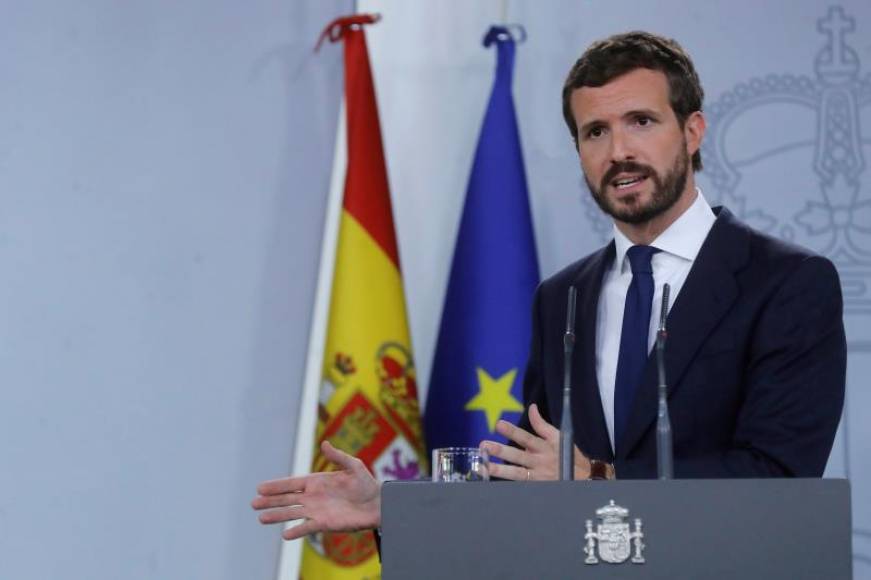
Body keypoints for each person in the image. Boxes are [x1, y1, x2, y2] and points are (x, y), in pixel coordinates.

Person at [252, 31, 846, 540]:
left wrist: (597, 480)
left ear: (692, 131)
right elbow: (529, 477)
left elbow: (779, 479)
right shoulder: (564, 296)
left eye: (641, 122)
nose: (619, 152)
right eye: (595, 132)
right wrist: (395, 508)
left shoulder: (786, 283)